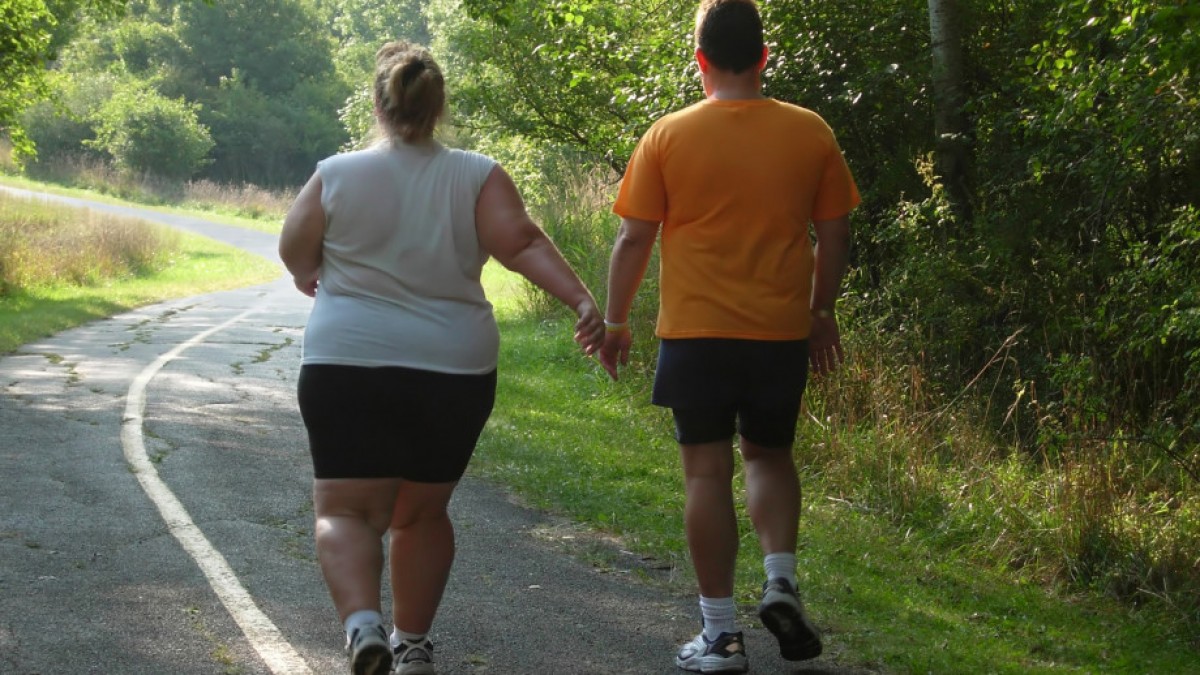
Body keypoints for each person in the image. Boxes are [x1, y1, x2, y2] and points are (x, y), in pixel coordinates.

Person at [279, 41, 605, 675]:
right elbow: (522, 244)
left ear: (378, 102)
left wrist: (308, 272)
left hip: (348, 363)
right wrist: (582, 301)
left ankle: (364, 627)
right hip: (453, 371)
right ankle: (414, 646)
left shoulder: (337, 173)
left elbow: (294, 249)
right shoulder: (476, 174)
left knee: (345, 509)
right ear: (438, 105)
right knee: (422, 512)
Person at [597, 1, 860, 672]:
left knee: (706, 472)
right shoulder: (811, 133)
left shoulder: (667, 135)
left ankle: (719, 636)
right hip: (778, 332)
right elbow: (834, 232)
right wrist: (820, 311)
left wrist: (616, 321)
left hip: (697, 335)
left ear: (701, 60)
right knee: (769, 455)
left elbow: (634, 237)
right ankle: (780, 579)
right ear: (765, 57)